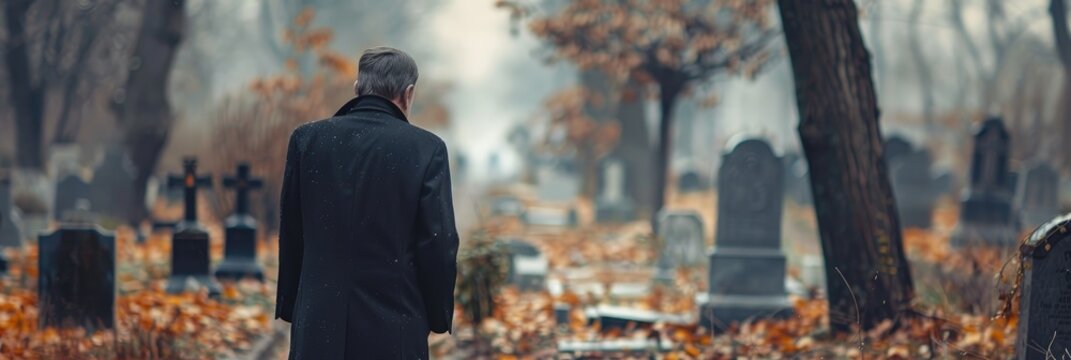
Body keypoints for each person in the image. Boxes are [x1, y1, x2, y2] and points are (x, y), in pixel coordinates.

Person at [275, 47, 458, 359]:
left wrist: (293, 305)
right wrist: (437, 315)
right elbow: (438, 243)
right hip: (395, 327)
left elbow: (292, 232)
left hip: (318, 324)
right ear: (408, 93)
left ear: (357, 87)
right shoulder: (427, 149)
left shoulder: (307, 141)